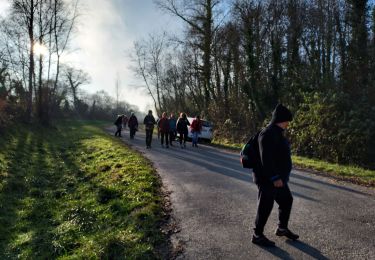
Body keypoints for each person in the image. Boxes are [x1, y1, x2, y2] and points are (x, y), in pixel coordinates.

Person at [252, 104, 299, 247]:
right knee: (265, 206)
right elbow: (265, 158)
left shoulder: (277, 132)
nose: (288, 124)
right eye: (287, 121)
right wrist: (274, 177)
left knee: (286, 200)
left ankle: (282, 228)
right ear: (282, 119)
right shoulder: (267, 133)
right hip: (268, 178)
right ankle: (257, 235)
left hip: (278, 179)